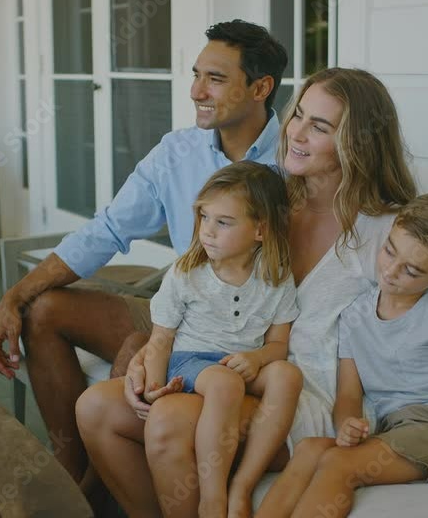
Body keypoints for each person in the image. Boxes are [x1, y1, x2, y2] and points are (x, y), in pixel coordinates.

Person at [74, 67, 428, 517]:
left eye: (320, 126)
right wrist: (155, 350)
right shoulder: (266, 203)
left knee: (170, 419)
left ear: (357, 143)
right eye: (298, 115)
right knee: (95, 409)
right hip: (234, 368)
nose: (296, 133)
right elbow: (200, 281)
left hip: (310, 400)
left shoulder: (386, 231)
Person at [0, 19, 289, 494]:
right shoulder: (177, 151)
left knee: (135, 349)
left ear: (260, 88)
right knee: (44, 309)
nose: (196, 91)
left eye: (215, 78)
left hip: (244, 331)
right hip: (178, 306)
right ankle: (71, 471)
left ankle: (96, 486)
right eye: (196, 75)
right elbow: (108, 229)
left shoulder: (294, 161)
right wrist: (16, 295)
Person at [257, 193, 428, 517]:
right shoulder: (354, 315)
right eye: (389, 250)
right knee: (309, 449)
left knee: (339, 463)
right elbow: (348, 393)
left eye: (411, 270)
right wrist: (347, 423)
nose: (390, 271)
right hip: (391, 427)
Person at [120, 161, 302, 518]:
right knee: (224, 383)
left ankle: (243, 483)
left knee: (287, 375)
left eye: (224, 222)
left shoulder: (277, 276)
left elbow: (278, 345)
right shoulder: (187, 272)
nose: (208, 231)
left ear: (260, 230)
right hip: (190, 360)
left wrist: (257, 358)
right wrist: (154, 388)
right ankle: (213, 497)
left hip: (240, 364)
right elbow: (162, 339)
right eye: (204, 217)